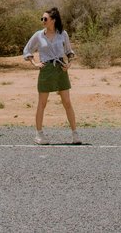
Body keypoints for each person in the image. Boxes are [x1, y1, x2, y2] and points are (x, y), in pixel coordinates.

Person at [22, 8, 80, 145]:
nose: (43, 21)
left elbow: (69, 51)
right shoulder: (38, 35)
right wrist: (34, 63)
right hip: (46, 69)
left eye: (45, 19)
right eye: (42, 19)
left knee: (67, 102)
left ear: (53, 20)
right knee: (42, 103)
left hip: (61, 69)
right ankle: (39, 134)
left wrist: (69, 64)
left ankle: (75, 134)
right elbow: (27, 49)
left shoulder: (62, 34)